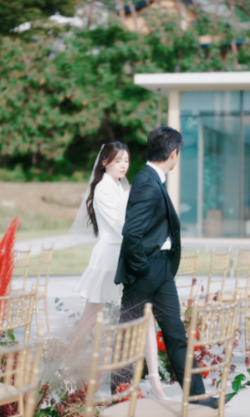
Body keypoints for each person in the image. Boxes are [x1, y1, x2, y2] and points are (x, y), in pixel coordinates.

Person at [112, 127, 219, 409]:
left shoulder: (153, 179)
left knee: (176, 335)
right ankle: (118, 397)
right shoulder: (147, 182)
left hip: (161, 270)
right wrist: (143, 269)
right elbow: (131, 233)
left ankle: (197, 397)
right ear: (173, 153)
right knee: (128, 335)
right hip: (146, 271)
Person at [69, 141, 172, 400]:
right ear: (105, 162)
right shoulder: (103, 189)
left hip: (126, 257)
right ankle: (67, 371)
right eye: (118, 161)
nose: (124, 165)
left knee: (146, 315)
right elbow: (122, 227)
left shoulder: (120, 187)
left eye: (126, 160)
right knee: (90, 318)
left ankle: (155, 380)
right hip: (108, 261)